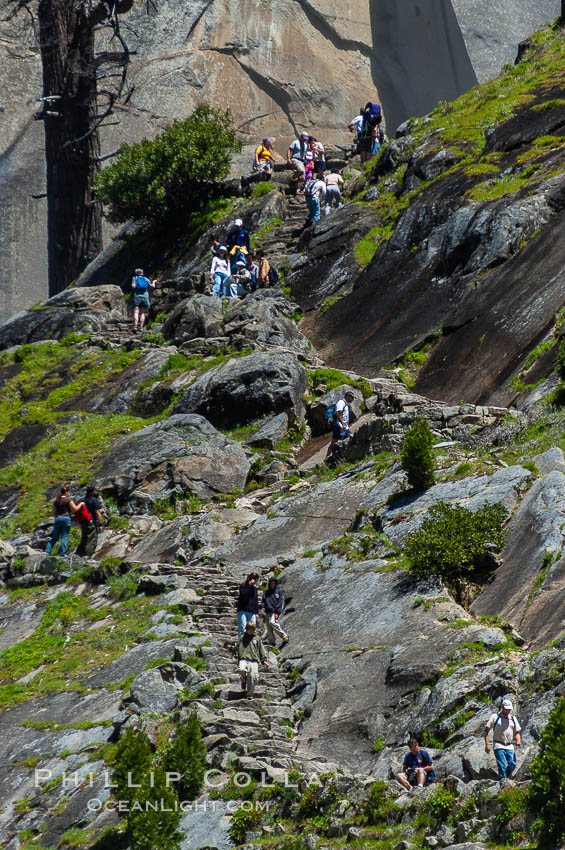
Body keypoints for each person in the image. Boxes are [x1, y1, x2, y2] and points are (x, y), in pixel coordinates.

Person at [484, 698, 522, 780]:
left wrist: (518, 740)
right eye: (506, 709)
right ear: (502, 707)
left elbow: (517, 732)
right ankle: (503, 782)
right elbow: (486, 731)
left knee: (512, 764)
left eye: (509, 709)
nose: (508, 711)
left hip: (509, 745)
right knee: (502, 765)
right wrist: (487, 744)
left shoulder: (513, 718)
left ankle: (506, 779)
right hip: (498, 745)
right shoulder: (495, 717)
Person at [234, 621, 270, 697]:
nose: (250, 631)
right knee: (241, 670)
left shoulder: (257, 639)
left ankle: (249, 694)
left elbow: (261, 650)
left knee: (252, 677)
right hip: (243, 659)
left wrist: (264, 661)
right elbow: (236, 647)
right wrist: (231, 648)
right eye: (249, 629)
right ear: (246, 629)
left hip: (254, 660)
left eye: (252, 630)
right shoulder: (242, 638)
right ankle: (243, 680)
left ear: (254, 630)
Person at [45, 485, 79, 557]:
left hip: (57, 519)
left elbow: (53, 512)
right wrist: (81, 504)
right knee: (64, 536)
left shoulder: (56, 501)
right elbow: (75, 509)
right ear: (66, 492)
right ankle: (62, 553)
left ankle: (47, 551)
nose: (69, 493)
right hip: (66, 518)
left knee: (55, 537)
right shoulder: (68, 500)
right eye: (68, 491)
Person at [75, 485, 103, 557]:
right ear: (93, 491)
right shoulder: (94, 500)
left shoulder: (81, 500)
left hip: (82, 522)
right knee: (91, 539)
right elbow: (97, 513)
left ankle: (78, 555)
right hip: (91, 522)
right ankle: (87, 556)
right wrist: (100, 524)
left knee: (84, 538)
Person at [326, 391, 354, 458]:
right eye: (352, 398)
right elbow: (338, 413)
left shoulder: (346, 404)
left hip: (343, 426)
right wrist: (343, 424)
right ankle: (328, 457)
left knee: (347, 438)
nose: (352, 399)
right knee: (335, 441)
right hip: (339, 425)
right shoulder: (341, 402)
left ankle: (343, 455)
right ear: (348, 396)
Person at [262, 578, 289, 647]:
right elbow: (263, 601)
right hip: (268, 611)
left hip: (274, 611)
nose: (272, 584)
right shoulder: (266, 592)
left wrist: (277, 612)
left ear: (276, 584)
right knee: (269, 627)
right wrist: (262, 605)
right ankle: (272, 642)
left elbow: (280, 603)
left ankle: (284, 636)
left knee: (272, 623)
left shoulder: (279, 593)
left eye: (274, 583)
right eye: (271, 583)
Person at [236, 572, 260, 637]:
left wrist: (257, 612)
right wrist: (250, 585)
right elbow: (244, 595)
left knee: (252, 628)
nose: (255, 582)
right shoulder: (242, 586)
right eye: (255, 580)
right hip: (242, 610)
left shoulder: (254, 588)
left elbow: (255, 600)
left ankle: (250, 644)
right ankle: (241, 645)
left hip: (252, 611)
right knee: (242, 629)